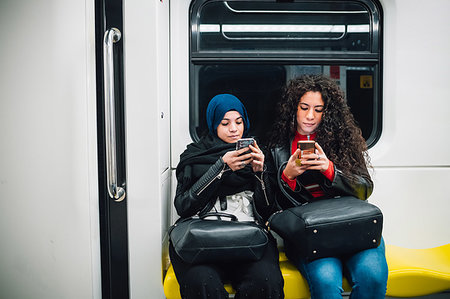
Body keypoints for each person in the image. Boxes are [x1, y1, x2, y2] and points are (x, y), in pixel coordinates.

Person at [268, 75, 388, 299]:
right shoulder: (277, 148)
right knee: (326, 282)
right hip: (311, 233)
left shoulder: (342, 140)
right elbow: (272, 208)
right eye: (304, 107)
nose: (310, 116)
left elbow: (364, 189)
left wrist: (330, 170)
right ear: (294, 108)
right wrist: (288, 177)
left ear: (327, 113)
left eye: (318, 109)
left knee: (371, 277)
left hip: (352, 226)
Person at [169, 94, 284, 299]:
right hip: (202, 238)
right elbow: (184, 206)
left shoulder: (256, 154)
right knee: (201, 282)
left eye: (239, 122)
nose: (234, 129)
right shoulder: (194, 156)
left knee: (265, 281)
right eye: (225, 123)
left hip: (247, 236)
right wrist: (220, 167)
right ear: (214, 124)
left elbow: (268, 211)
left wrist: (260, 173)